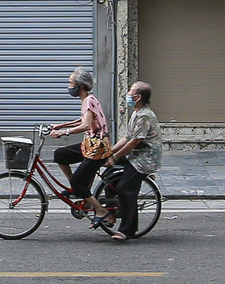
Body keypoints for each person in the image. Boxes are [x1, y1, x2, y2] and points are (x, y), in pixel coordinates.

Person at [101, 80, 162, 241]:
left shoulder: (144, 116)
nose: (128, 94)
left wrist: (115, 157)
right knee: (109, 177)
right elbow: (127, 137)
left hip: (144, 159)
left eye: (130, 92)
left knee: (124, 188)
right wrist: (109, 152)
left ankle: (127, 229)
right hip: (135, 155)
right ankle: (111, 213)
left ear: (138, 97)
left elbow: (135, 142)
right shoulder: (136, 113)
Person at [47, 67, 110, 213]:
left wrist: (64, 132)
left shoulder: (88, 100)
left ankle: (100, 210)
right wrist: (61, 125)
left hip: (97, 148)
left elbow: (86, 125)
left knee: (77, 181)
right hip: (89, 145)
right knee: (60, 154)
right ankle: (75, 188)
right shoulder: (89, 99)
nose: (69, 87)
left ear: (80, 86)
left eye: (70, 83)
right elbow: (83, 119)